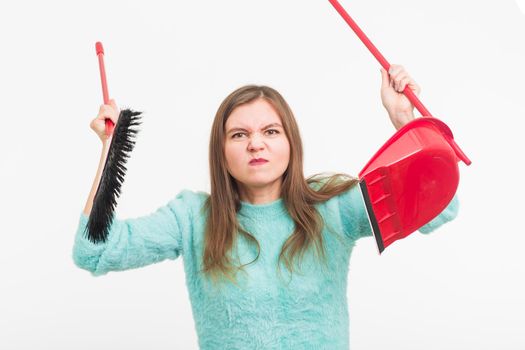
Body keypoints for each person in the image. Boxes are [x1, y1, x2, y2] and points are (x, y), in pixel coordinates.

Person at [73, 64, 459, 349]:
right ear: (221, 153)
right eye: (239, 134)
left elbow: (438, 209)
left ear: (291, 144)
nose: (255, 144)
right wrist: (109, 152)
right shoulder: (193, 218)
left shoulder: (331, 204)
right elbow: (95, 251)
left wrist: (403, 120)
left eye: (270, 132)